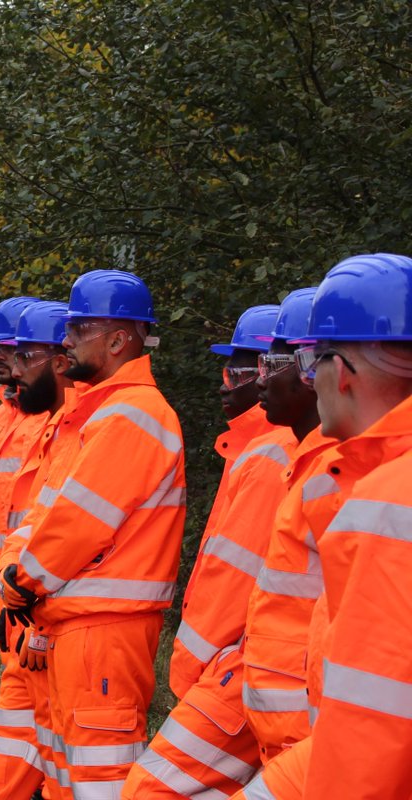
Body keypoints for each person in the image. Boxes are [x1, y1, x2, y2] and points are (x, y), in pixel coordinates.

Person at [0, 270, 186, 799]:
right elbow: (46, 512)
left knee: (97, 777)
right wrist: (21, 581)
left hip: (103, 630)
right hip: (79, 624)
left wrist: (21, 582)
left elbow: (77, 524)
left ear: (118, 339)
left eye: (79, 329)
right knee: (67, 774)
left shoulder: (132, 415)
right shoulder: (102, 413)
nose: (67, 340)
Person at [232, 253, 412, 799]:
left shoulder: (388, 499)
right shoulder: (371, 480)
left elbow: (371, 724)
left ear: (345, 370)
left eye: (311, 360)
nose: (309, 379)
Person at [122, 304, 292, 798]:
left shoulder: (269, 456)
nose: (224, 385)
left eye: (236, 372)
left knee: (151, 790)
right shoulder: (258, 448)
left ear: (267, 370)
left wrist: (193, 676)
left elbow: (230, 583)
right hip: (248, 671)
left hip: (234, 674)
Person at [0, 299, 73, 800]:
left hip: (34, 593)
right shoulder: (9, 414)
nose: (1, 359)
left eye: (9, 349)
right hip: (13, 585)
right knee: (28, 725)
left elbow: (60, 526)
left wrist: (33, 613)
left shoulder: (51, 423)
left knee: (45, 729)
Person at [237, 287, 337, 767]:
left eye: (269, 366)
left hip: (306, 727)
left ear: (311, 369)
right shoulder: (302, 465)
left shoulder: (334, 475)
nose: (259, 382)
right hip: (279, 717)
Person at [0, 296, 43, 560]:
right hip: (5, 562)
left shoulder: (54, 414)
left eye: (7, 345)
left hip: (34, 564)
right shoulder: (2, 414)